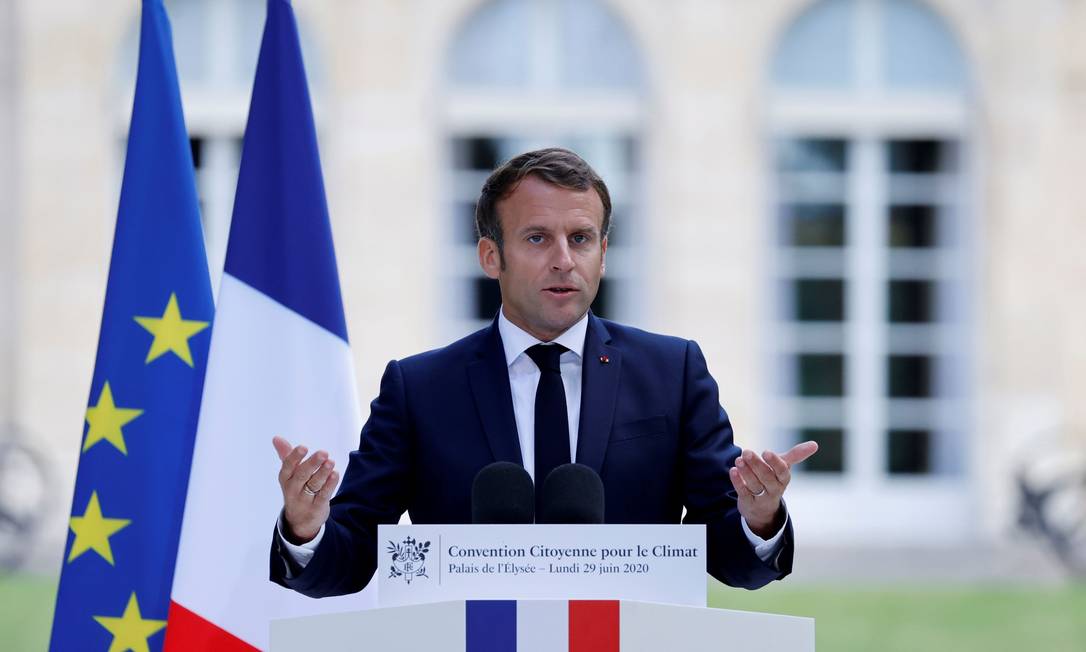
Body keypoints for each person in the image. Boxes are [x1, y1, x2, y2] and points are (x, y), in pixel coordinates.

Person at [269, 148, 818, 597]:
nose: (563, 260)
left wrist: (759, 518)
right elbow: (353, 553)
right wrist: (307, 528)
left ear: (602, 254)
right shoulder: (420, 389)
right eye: (537, 238)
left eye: (580, 239)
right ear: (491, 256)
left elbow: (733, 560)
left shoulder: (672, 372)